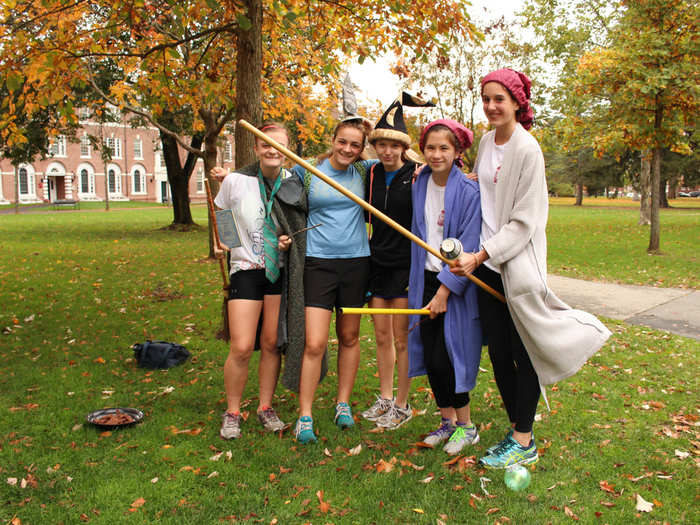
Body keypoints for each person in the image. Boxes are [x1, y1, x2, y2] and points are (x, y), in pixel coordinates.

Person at [450, 68, 611, 468]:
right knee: (500, 354)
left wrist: (479, 256)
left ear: (518, 103)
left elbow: (523, 220)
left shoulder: (528, 149)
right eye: (486, 98)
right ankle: (518, 429)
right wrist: (457, 176)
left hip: (512, 264)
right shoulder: (487, 142)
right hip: (484, 262)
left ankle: (523, 439)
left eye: (499, 99)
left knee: (524, 352)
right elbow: (488, 186)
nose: (490, 106)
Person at [212, 121, 308, 440]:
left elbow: (295, 224)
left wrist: (285, 241)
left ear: (286, 149)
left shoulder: (292, 182)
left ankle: (265, 407)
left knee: (271, 343)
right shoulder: (236, 180)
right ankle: (232, 412)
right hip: (247, 270)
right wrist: (225, 240)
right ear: (256, 148)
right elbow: (221, 210)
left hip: (277, 272)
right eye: (265, 144)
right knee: (240, 346)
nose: (271, 149)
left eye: (278, 144)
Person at [291, 117, 378, 444]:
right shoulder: (307, 171)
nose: (347, 149)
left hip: (356, 262)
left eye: (355, 145)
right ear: (334, 139)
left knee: (350, 336)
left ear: (361, 148)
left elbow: (399, 159)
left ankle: (343, 404)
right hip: (318, 263)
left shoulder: (363, 171)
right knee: (314, 342)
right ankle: (305, 415)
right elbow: (274, 186)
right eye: (343, 141)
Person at [407, 119, 483, 456]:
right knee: (432, 356)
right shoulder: (419, 182)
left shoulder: (468, 192)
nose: (437, 154)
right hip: (422, 278)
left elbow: (469, 242)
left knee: (452, 354)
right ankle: (447, 421)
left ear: (457, 152)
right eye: (431, 148)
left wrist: (444, 290)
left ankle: (467, 426)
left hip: (453, 284)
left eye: (444, 148)